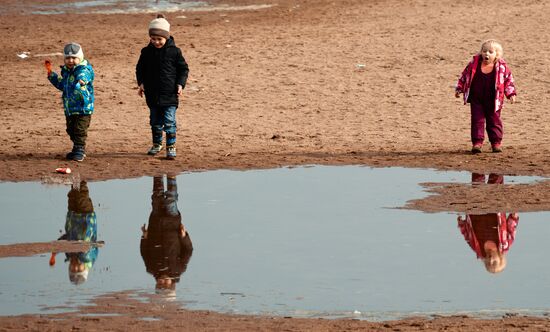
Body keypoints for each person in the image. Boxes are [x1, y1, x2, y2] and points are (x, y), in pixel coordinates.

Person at [136, 14, 189, 160]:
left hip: (170, 94)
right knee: (155, 122)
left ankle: (171, 147)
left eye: (159, 39)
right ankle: (157, 144)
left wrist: (180, 84)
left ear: (166, 37)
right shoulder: (146, 52)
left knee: (169, 121)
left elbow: (183, 69)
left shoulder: (175, 52)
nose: (156, 42)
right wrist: (140, 83)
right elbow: (140, 69)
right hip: (152, 94)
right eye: (153, 39)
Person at [455, 39, 517, 154]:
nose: (486, 54)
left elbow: (509, 81)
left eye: (490, 52)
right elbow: (464, 76)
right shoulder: (473, 64)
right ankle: (477, 143)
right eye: (484, 51)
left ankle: (496, 143)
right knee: (477, 120)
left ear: (497, 55)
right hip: (476, 99)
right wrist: (459, 88)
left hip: (494, 100)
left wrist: (511, 94)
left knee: (494, 121)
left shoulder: (501, 67)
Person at [141, 175, 193, 296]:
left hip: (155, 223)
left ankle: (157, 175)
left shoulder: (151, 268)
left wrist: (145, 237)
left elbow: (144, 251)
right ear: (172, 283)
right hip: (172, 224)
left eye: (160, 284)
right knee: (171, 200)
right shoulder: (179, 269)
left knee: (157, 198)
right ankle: (171, 178)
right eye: (166, 284)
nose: (162, 281)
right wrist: (184, 236)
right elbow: (188, 250)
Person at [457, 173, 519, 274]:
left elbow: (468, 237)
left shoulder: (478, 249)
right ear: (500, 258)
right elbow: (511, 229)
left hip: (476, 210)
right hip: (495, 209)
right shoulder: (505, 245)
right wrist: (514, 216)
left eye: (489, 263)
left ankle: (478, 163)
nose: (491, 260)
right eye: (494, 262)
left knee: (477, 186)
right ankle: (496, 162)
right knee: (495, 186)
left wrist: (461, 224)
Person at [46, 42, 95, 162]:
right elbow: (63, 85)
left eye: (74, 58)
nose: (71, 60)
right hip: (70, 107)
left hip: (83, 107)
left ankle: (80, 150)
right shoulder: (66, 72)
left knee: (80, 129)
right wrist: (52, 76)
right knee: (70, 129)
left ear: (80, 58)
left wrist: (82, 80)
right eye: (68, 58)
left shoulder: (83, 69)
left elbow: (85, 75)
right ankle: (76, 148)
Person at [50, 181, 98, 284]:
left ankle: (75, 178)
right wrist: (80, 257)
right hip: (86, 215)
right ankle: (81, 177)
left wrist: (56, 249)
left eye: (72, 269)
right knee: (81, 195)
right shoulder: (87, 257)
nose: (75, 267)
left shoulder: (70, 254)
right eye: (79, 269)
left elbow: (67, 238)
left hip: (72, 216)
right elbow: (86, 249)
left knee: (72, 196)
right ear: (85, 268)